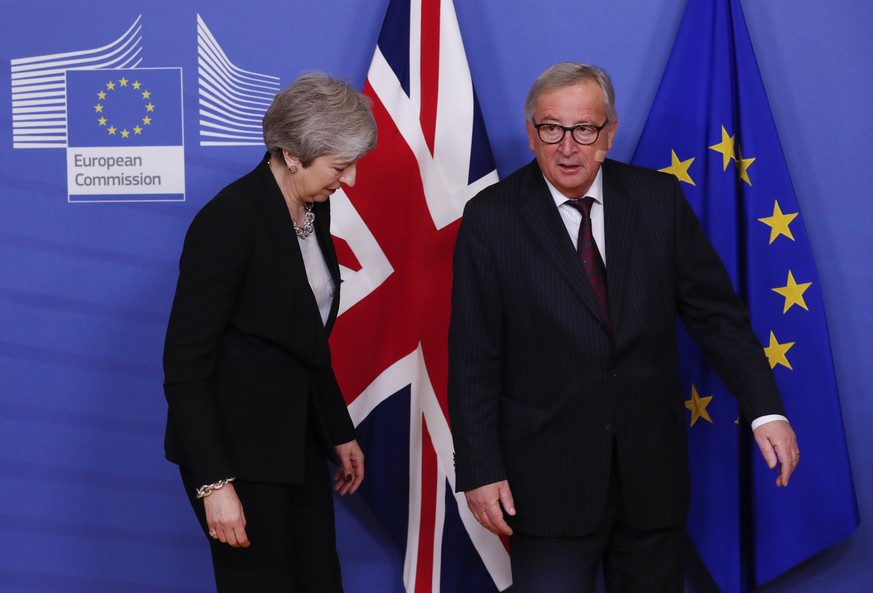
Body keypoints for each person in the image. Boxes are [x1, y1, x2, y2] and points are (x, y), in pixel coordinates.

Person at [447, 62, 800, 593]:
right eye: (551, 129)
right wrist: (478, 468)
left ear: (609, 133)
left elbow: (717, 317)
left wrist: (765, 410)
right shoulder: (492, 217)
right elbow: (474, 357)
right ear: (531, 133)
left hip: (650, 480)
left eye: (584, 130)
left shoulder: (659, 200)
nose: (568, 147)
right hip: (545, 484)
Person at [162, 73, 376, 592]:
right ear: (293, 155)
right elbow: (185, 364)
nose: (349, 182)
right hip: (235, 455)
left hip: (295, 444)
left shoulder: (312, 207)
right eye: (340, 167)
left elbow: (304, 339)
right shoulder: (230, 220)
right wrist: (215, 484)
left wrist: (338, 429)